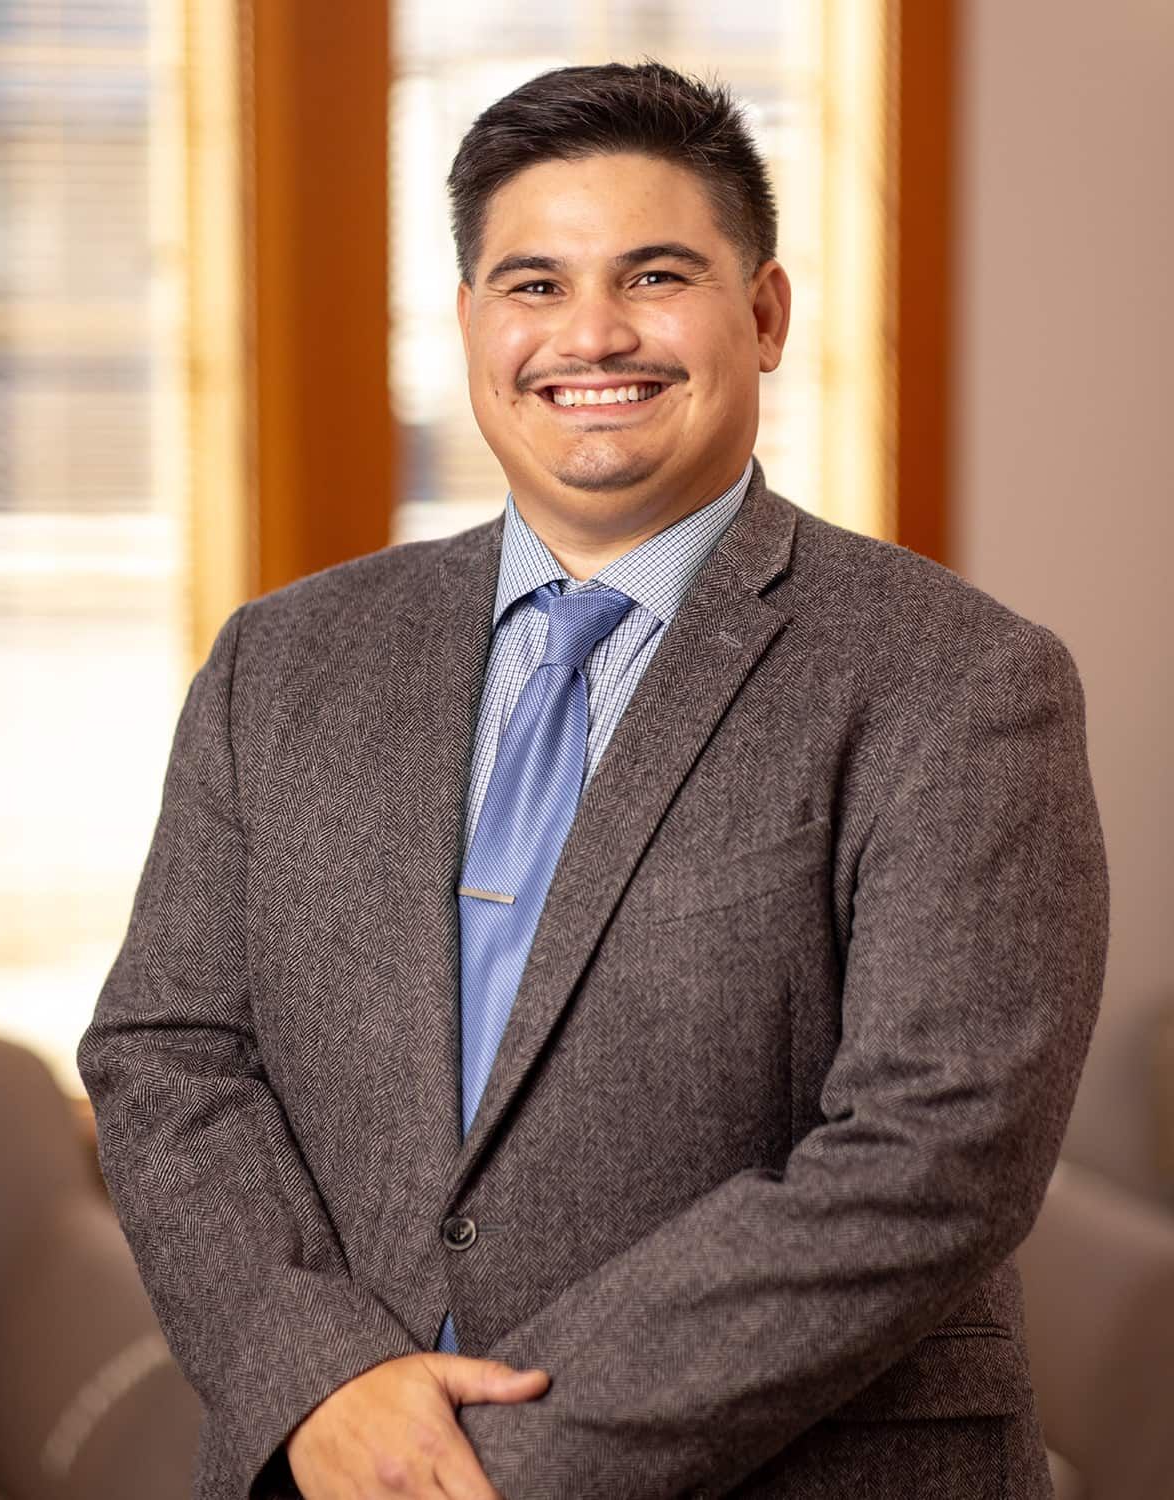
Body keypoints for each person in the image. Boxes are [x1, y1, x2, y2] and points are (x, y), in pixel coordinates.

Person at [78, 60, 1109, 1500]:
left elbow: (938, 1154)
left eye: (655, 274)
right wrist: (316, 1373)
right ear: (469, 328)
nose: (594, 335)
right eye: (534, 285)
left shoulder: (956, 680)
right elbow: (167, 1051)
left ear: (763, 316)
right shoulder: (286, 659)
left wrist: (498, 1461)